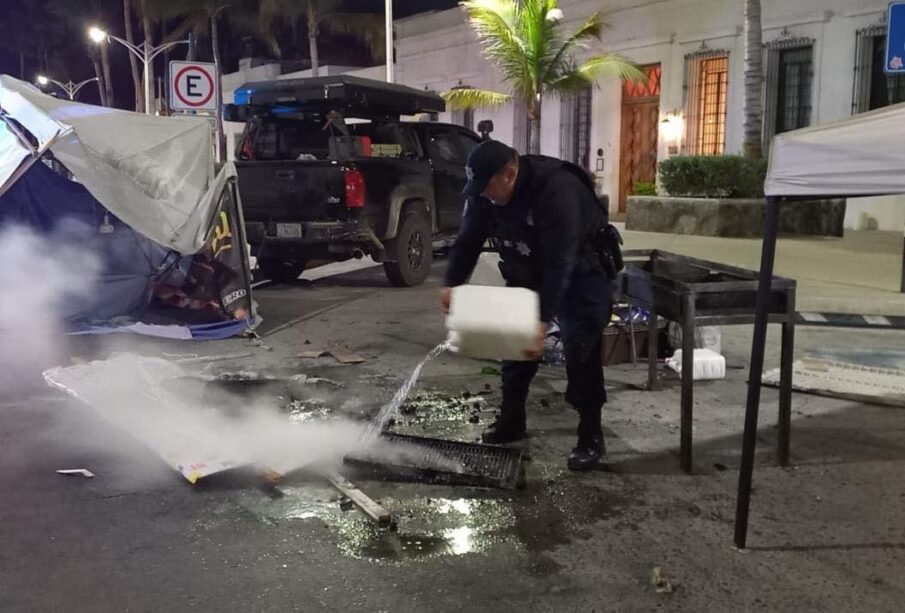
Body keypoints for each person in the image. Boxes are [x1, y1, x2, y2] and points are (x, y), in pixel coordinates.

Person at [441, 140, 617, 471]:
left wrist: (542, 319)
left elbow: (560, 261)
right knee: (513, 346)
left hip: (580, 272)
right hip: (528, 269)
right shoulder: (486, 192)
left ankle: (591, 435)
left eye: (488, 187)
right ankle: (512, 421)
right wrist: (452, 282)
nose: (484, 195)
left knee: (581, 353)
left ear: (509, 174)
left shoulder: (556, 188)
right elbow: (468, 240)